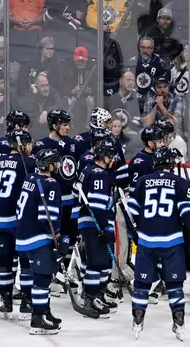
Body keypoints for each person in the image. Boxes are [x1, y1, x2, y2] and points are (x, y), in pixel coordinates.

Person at [127, 147, 190, 341]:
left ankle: (137, 320)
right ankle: (179, 322)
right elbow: (189, 214)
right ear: (171, 165)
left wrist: (134, 232)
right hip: (172, 242)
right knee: (174, 285)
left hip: (147, 241)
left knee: (142, 285)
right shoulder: (180, 183)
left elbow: (131, 212)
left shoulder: (143, 182)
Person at [0, 130, 36, 321]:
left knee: (3, 263)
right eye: (29, 144)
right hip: (19, 223)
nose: (31, 147)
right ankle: (27, 302)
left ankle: (6, 299)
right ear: (21, 144)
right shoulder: (29, 163)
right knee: (26, 263)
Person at [14, 148, 63, 334]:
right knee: (42, 278)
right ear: (49, 166)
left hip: (23, 237)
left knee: (40, 276)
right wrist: (58, 236)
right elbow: (47, 217)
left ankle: (45, 312)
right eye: (55, 162)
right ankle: (38, 318)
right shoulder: (52, 184)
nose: (57, 166)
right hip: (39, 238)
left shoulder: (30, 179)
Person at [31, 110, 78, 288]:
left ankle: (63, 273)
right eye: (64, 124)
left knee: (69, 239)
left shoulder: (72, 144)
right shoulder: (41, 146)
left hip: (70, 201)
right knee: (52, 239)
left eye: (68, 124)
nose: (68, 127)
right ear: (54, 125)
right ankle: (50, 274)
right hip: (52, 203)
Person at [75, 139, 120, 318]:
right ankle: (90, 298)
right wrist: (104, 228)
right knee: (96, 263)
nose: (114, 159)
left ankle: (98, 295)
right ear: (105, 156)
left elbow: (75, 192)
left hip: (88, 222)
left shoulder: (86, 170)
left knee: (101, 262)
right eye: (112, 156)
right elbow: (98, 206)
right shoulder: (99, 174)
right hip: (95, 224)